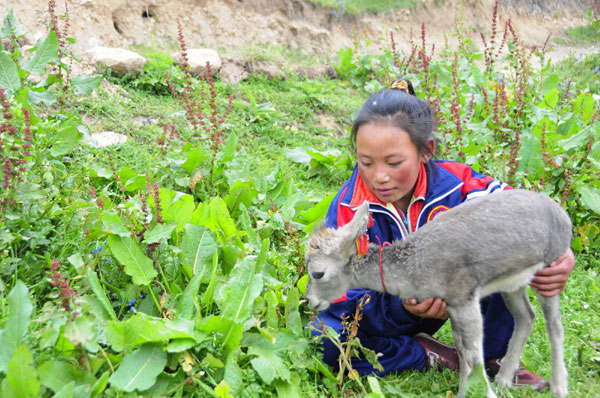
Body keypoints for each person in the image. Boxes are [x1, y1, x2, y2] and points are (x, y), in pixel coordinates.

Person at [310, 79, 575, 391]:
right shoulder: (348, 208)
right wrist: (402, 308)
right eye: (365, 162)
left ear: (426, 152)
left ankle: (493, 357)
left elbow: (522, 212)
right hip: (392, 311)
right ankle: (425, 354)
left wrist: (561, 253)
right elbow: (343, 300)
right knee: (323, 342)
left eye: (394, 163)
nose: (379, 176)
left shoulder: (459, 185)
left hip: (462, 291)